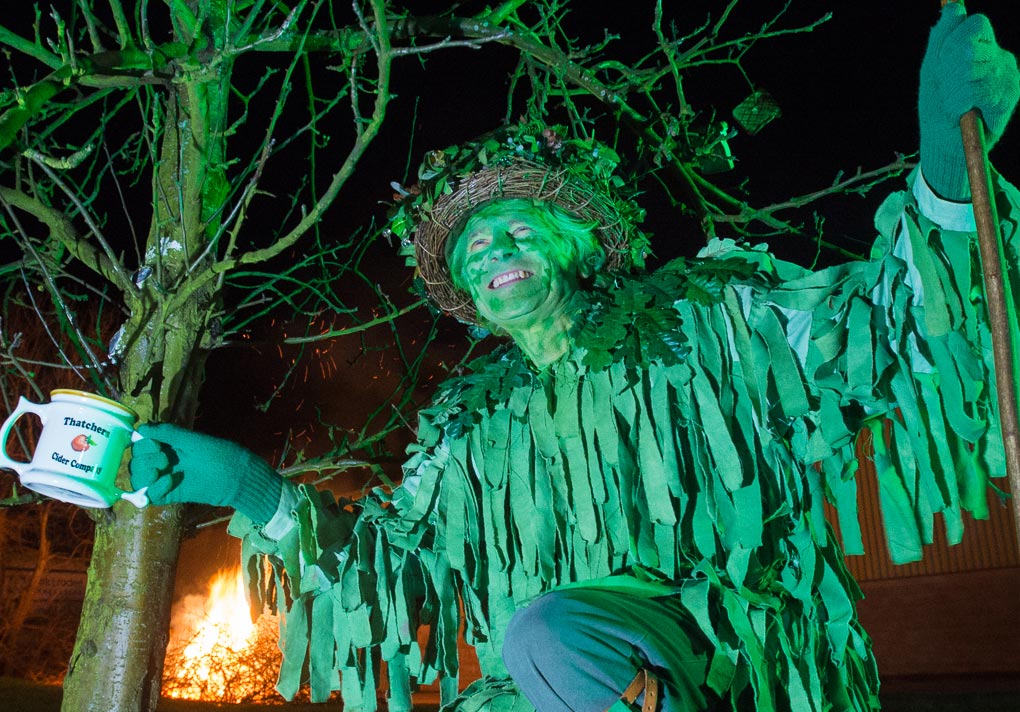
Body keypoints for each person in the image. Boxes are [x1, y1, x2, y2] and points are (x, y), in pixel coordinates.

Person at [130, 6, 1019, 712]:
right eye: (472, 250)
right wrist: (245, 483)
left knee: (547, 632)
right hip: (551, 682)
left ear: (581, 241)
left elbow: (886, 328)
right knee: (531, 653)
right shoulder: (469, 427)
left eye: (517, 228)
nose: (492, 251)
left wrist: (946, 172)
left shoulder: (711, 323)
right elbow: (390, 575)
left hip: (724, 658)